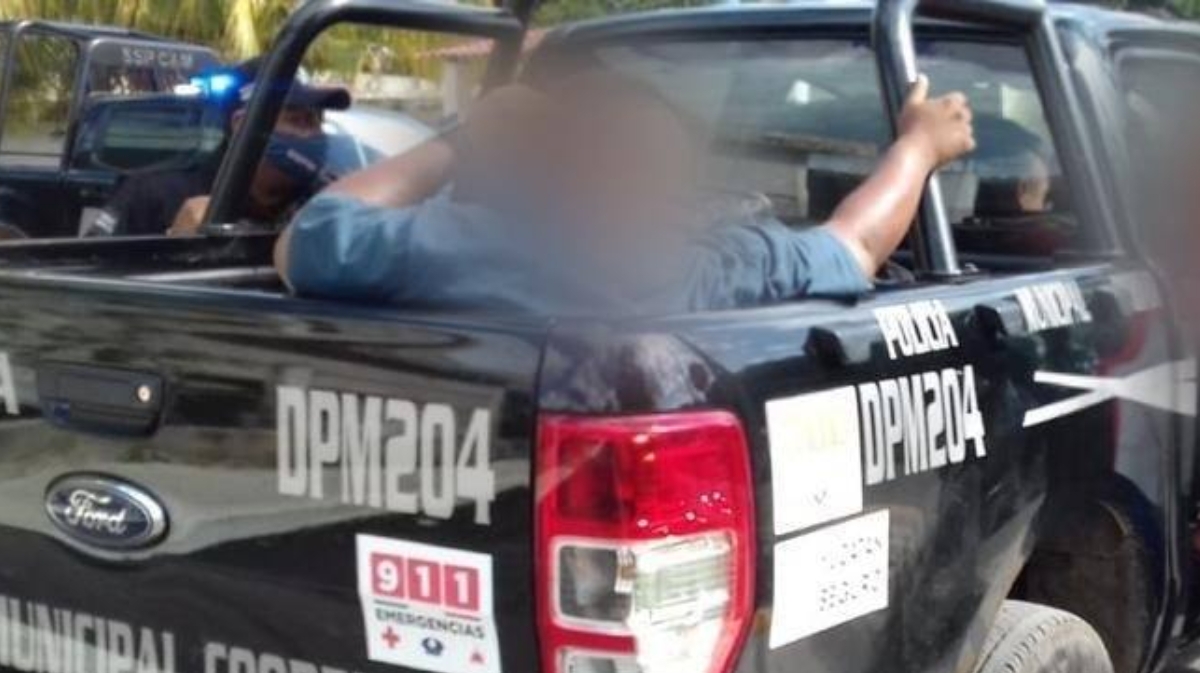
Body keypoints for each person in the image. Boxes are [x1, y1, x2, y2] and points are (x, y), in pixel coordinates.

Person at [274, 72, 975, 314]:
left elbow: (307, 236)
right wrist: (918, 150)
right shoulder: (706, 268)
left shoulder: (464, 245)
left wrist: (463, 140)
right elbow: (855, 246)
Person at [86, 57, 350, 238]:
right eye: (298, 120)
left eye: (317, 121)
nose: (313, 135)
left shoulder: (329, 203)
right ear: (242, 125)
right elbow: (91, 281)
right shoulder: (153, 195)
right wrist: (174, 248)